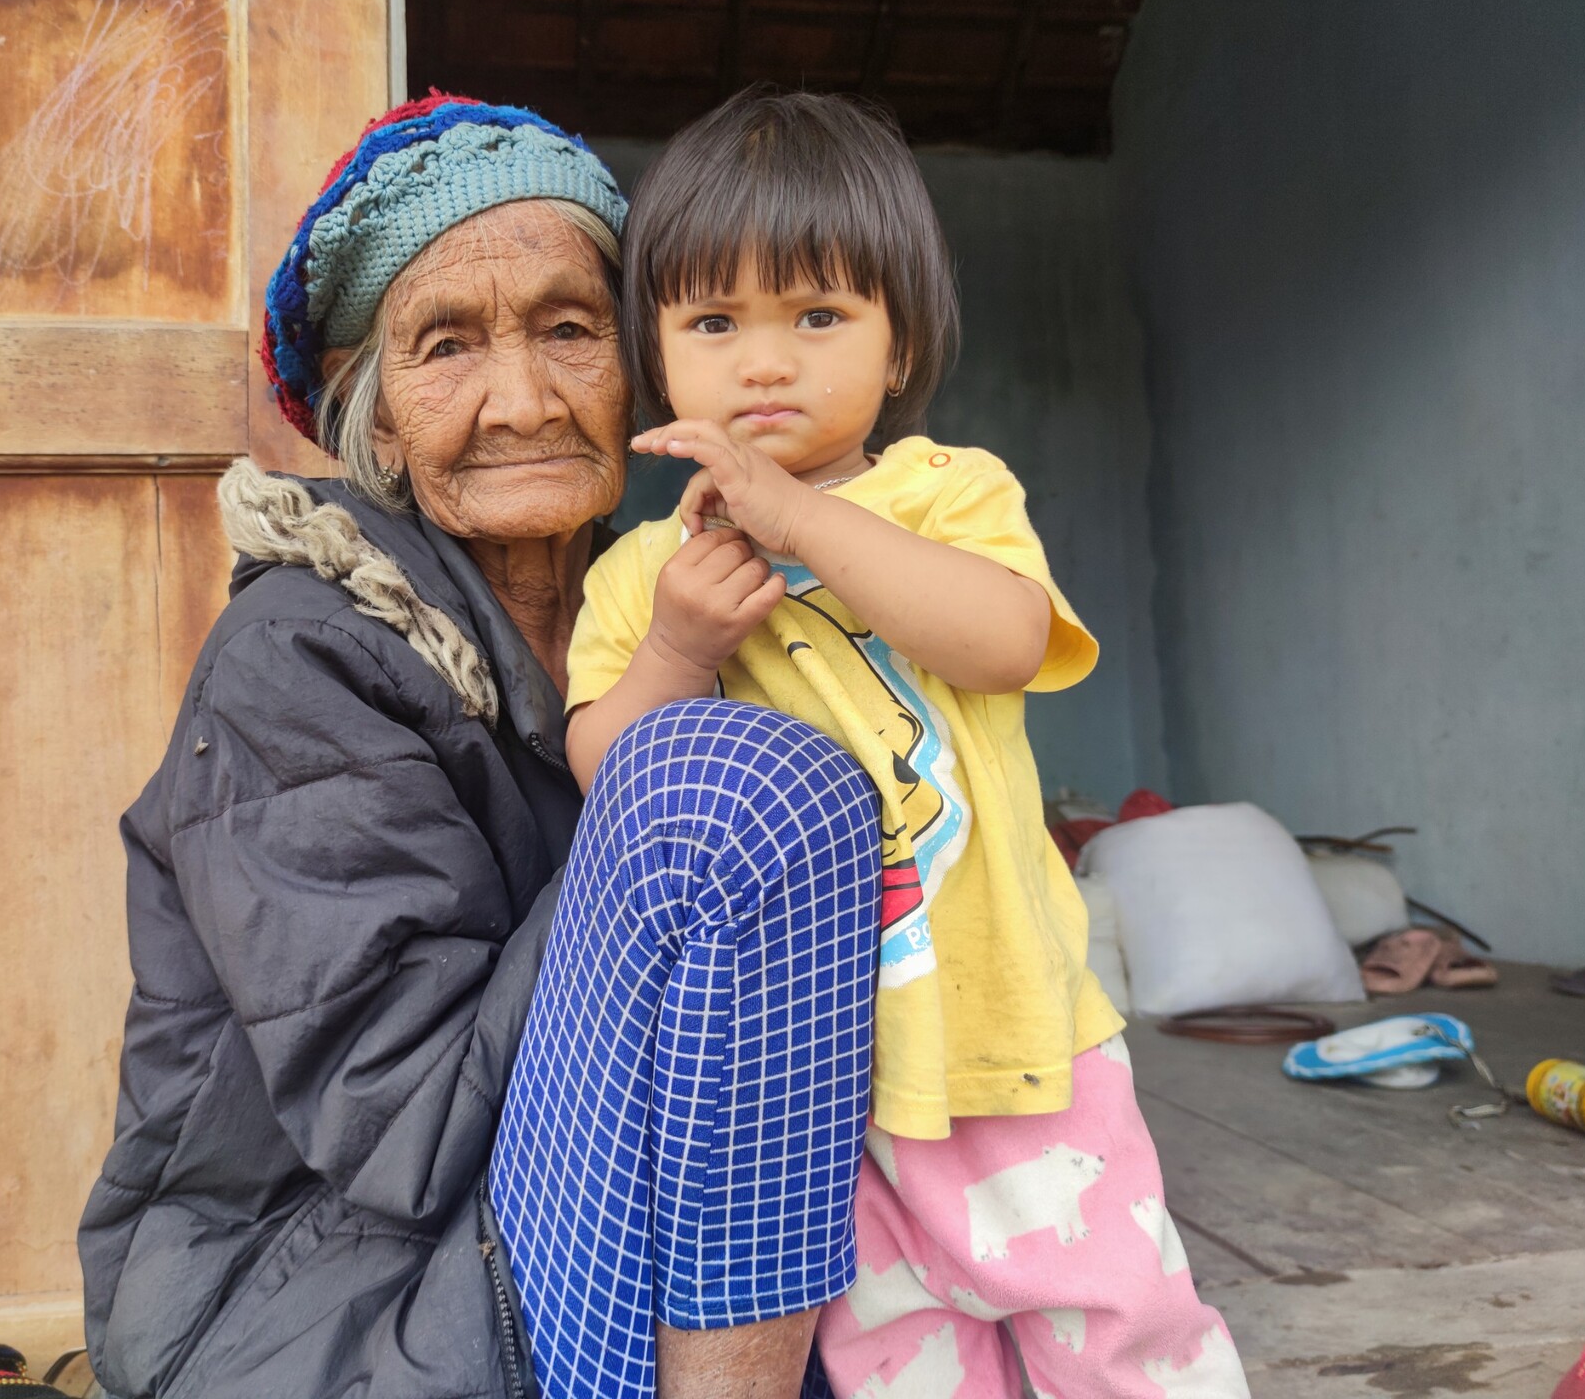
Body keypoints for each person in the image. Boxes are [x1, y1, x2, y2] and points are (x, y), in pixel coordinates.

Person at [78, 92, 884, 1399]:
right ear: (378, 419)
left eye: (570, 329)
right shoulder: (300, 659)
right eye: (445, 346)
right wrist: (656, 795)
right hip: (321, 1312)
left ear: (638, 371)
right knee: (741, 794)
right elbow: (408, 1120)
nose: (520, 401)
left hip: (565, 1235)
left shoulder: (666, 601)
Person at [511, 87, 1253, 1398]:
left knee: (1123, 1349)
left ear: (899, 341)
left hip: (1017, 1056)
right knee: (910, 1370)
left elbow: (1006, 639)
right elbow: (604, 777)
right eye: (714, 323)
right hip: (819, 1103)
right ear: (657, 353)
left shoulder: (947, 493)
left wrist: (801, 521)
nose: (765, 363)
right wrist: (679, 654)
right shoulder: (639, 572)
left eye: (818, 316)